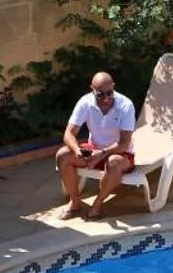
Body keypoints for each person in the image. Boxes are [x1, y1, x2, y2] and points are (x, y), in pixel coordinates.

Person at [55, 71, 136, 219]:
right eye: (100, 94)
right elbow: (69, 133)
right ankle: (75, 202)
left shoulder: (126, 105)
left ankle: (97, 205)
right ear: (92, 89)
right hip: (94, 149)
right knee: (63, 155)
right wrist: (77, 150)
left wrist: (101, 154)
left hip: (120, 154)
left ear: (113, 87)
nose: (105, 98)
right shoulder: (85, 102)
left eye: (109, 93)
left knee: (114, 163)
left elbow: (124, 144)